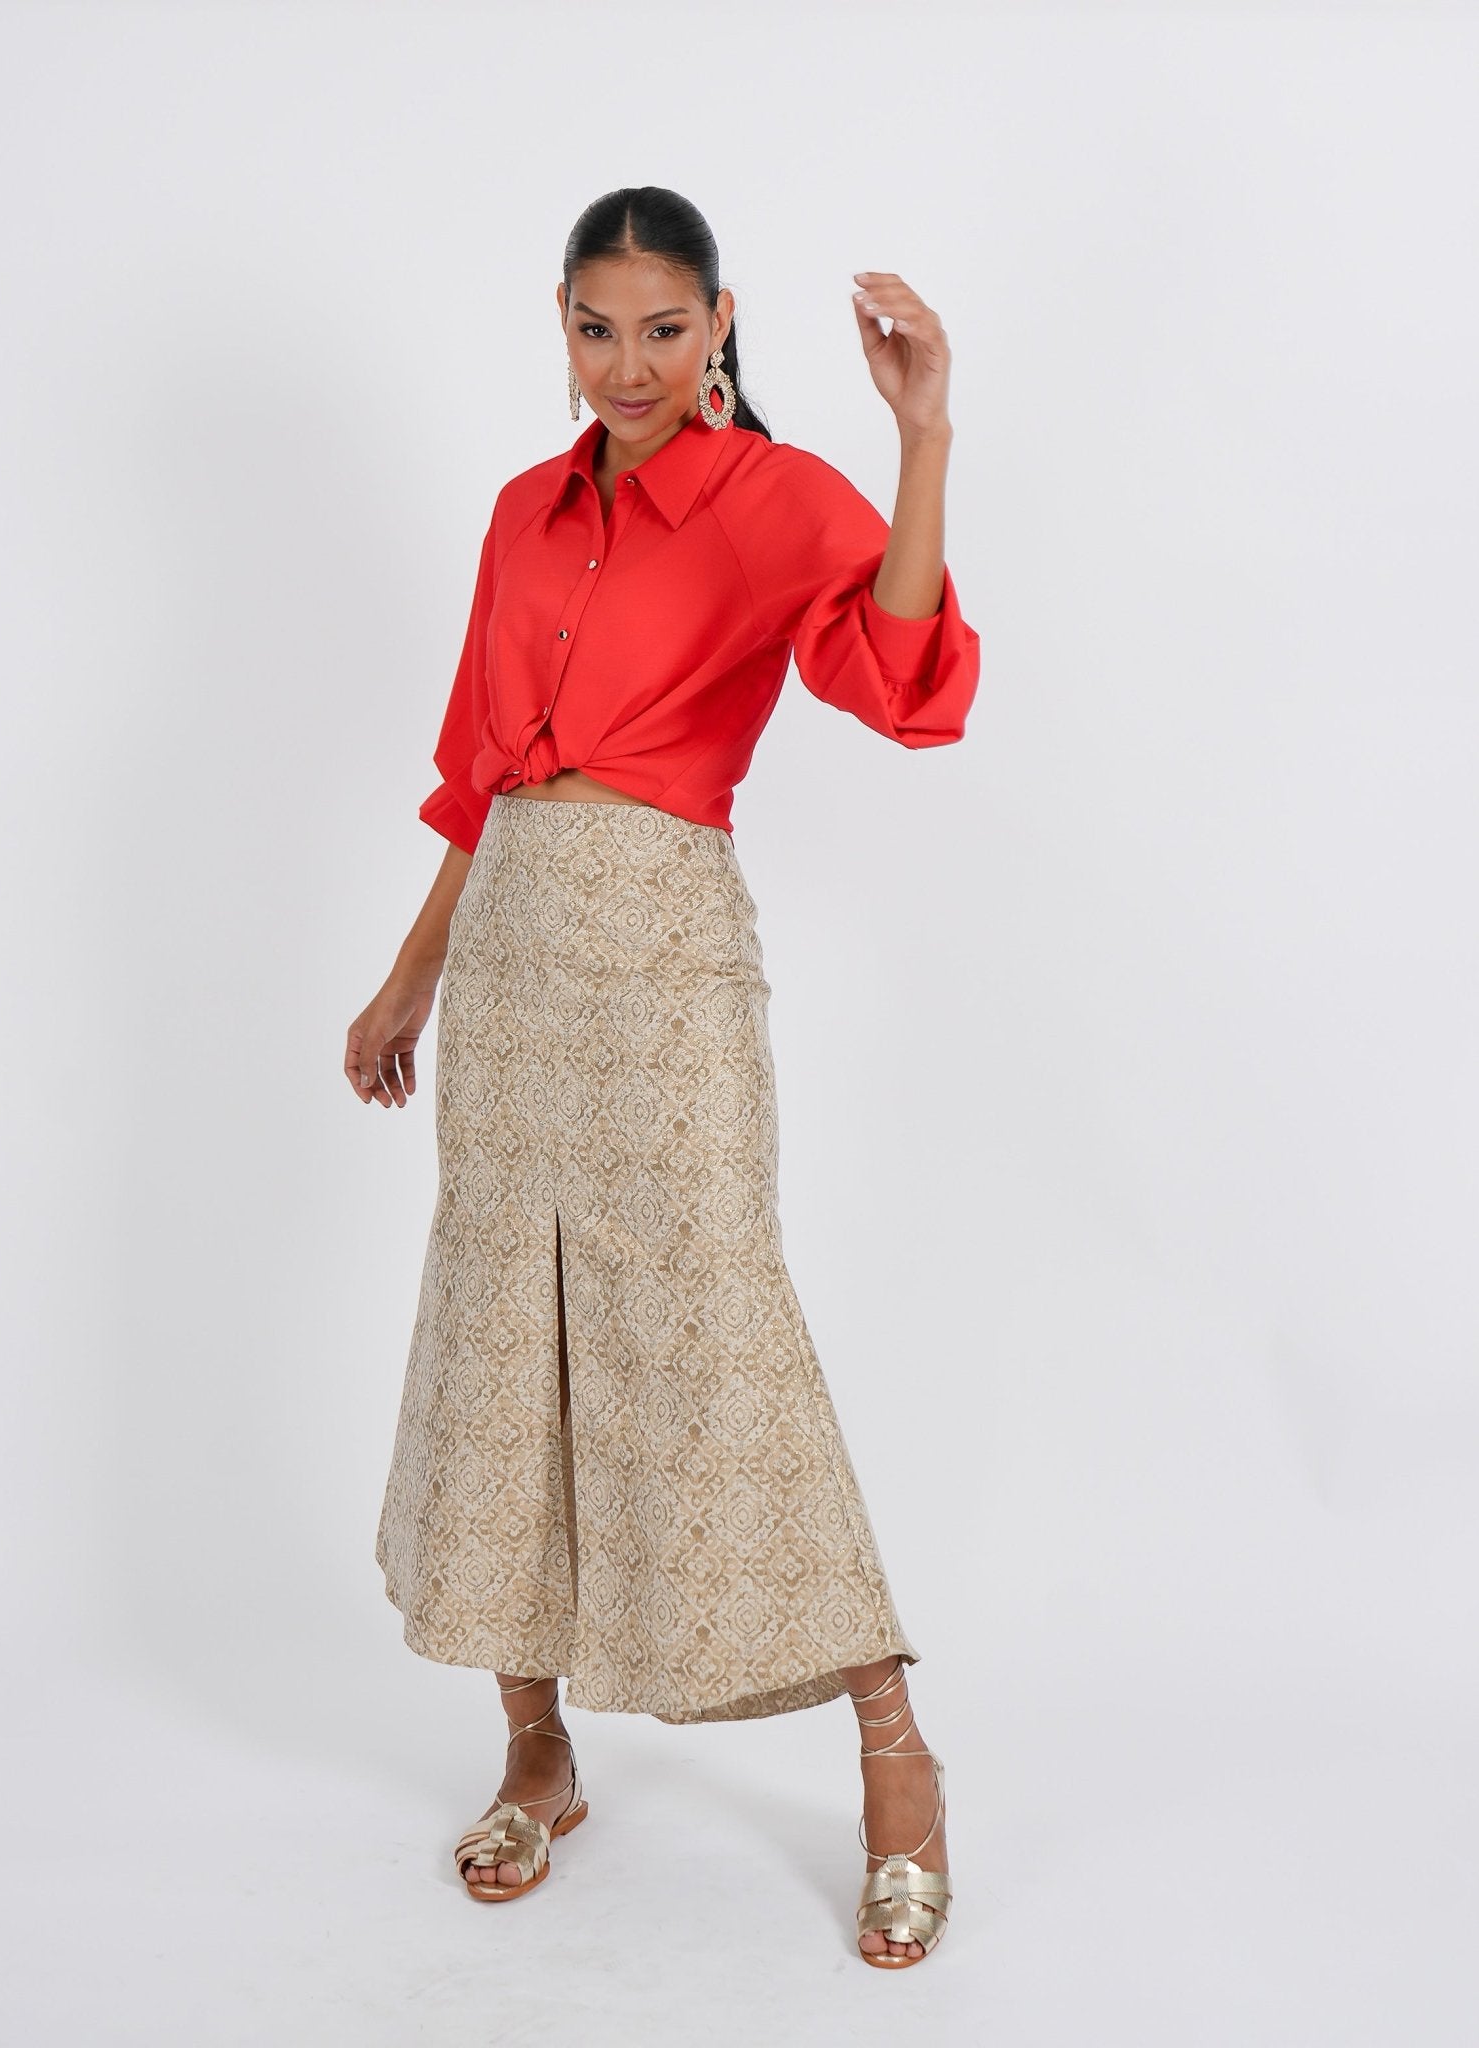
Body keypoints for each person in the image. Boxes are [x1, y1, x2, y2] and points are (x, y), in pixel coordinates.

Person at [345, 186, 980, 1969]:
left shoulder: (774, 497)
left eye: (661, 329)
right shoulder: (520, 514)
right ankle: (535, 1752)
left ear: (719, 327)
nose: (624, 365)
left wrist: (922, 439)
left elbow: (901, 678)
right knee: (505, 1325)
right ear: (559, 323)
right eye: (593, 328)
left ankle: (896, 1760)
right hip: (509, 960)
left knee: (712, 1321)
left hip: (660, 941)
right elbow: (479, 777)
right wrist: (408, 976)